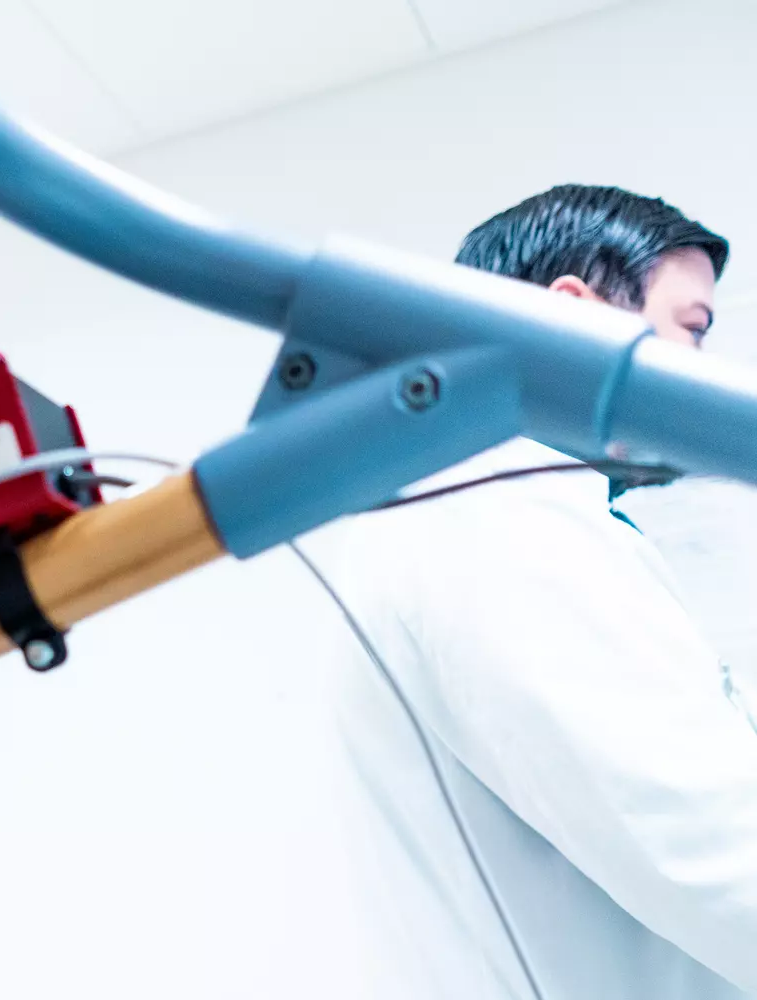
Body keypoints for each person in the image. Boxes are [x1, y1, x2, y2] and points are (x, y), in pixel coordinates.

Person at [316, 184, 749, 998]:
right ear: (575, 313)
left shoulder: (483, 506)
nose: (700, 374)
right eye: (690, 331)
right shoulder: (497, 512)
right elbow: (710, 844)